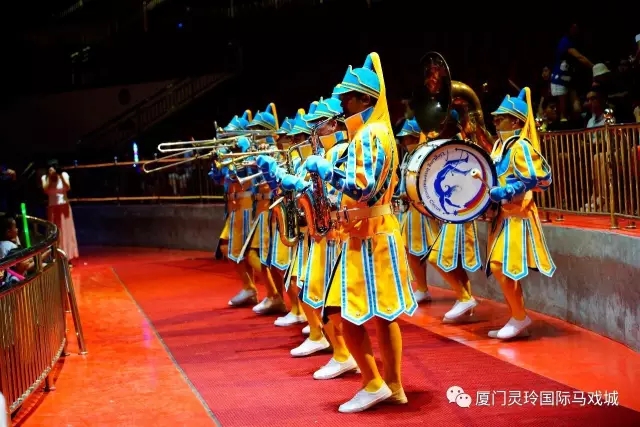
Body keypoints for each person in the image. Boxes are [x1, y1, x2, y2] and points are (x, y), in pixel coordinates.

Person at [304, 53, 416, 412]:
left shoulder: (370, 134)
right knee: (384, 314)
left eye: (347, 98)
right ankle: (394, 386)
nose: (341, 104)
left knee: (338, 310)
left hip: (368, 233)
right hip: (375, 229)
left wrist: (327, 172)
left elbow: (361, 188)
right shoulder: (376, 132)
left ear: (365, 99)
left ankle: (373, 383)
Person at [258, 96, 358, 378]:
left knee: (327, 300)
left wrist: (303, 187)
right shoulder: (324, 153)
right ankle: (338, 350)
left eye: (318, 125)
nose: (313, 130)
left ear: (334, 124)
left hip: (334, 234)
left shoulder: (343, 151)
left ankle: (343, 353)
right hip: (319, 234)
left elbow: (341, 194)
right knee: (314, 295)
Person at [487, 87, 556, 339]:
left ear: (516, 121)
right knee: (500, 267)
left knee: (500, 266)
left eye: (500, 118)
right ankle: (517, 316)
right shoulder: (500, 146)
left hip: (519, 216)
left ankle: (519, 317)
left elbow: (539, 177)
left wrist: (507, 190)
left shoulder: (520, 147)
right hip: (503, 216)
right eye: (495, 118)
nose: (495, 122)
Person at [210, 110, 260, 307]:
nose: (227, 140)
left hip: (247, 205)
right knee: (228, 248)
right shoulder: (231, 152)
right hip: (234, 207)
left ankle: (275, 289)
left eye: (230, 135)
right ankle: (249, 288)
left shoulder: (248, 150)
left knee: (248, 253)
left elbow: (244, 175)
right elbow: (221, 179)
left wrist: (236, 155)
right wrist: (216, 165)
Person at [242, 103, 287, 316]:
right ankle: (275, 296)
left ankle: (277, 296)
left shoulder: (273, 151)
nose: (252, 133)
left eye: (256, 129)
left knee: (267, 257)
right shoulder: (261, 150)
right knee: (263, 257)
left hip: (269, 207)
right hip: (260, 207)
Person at [394, 118, 440, 304]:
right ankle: (422, 288)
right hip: (409, 211)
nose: (405, 142)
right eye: (404, 139)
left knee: (436, 254)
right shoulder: (407, 156)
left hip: (423, 210)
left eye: (408, 138)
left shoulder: (425, 155)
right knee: (410, 252)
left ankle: (464, 295)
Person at [41, 160, 79, 263]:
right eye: (49, 169)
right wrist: (50, 178)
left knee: (66, 233)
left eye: (52, 168)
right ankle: (55, 256)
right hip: (52, 208)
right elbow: (45, 190)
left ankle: (68, 257)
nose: (51, 170)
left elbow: (68, 187)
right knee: (55, 232)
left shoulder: (64, 175)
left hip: (64, 207)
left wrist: (60, 176)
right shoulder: (45, 178)